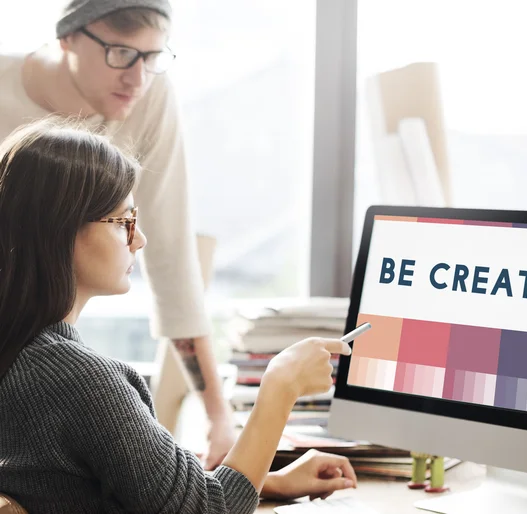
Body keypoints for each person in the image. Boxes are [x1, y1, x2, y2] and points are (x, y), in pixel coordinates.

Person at [0, 118, 357, 513]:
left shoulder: (22, 356)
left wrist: (266, 482)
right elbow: (208, 510)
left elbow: (96, 489)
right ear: (60, 231)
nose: (140, 239)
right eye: (124, 222)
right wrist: (281, 387)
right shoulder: (78, 380)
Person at [0, 0, 236, 468]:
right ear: (67, 37)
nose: (138, 78)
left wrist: (218, 416)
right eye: (121, 53)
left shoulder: (150, 94)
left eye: (153, 57)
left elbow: (170, 257)